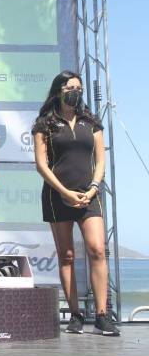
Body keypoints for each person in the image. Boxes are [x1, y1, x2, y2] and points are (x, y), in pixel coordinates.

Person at [32, 70, 119, 336]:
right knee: (66, 255)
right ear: (59, 91)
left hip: (89, 194)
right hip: (57, 195)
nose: (76, 92)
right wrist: (64, 192)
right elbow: (41, 165)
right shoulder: (44, 124)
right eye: (71, 87)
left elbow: (100, 160)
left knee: (97, 250)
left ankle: (103, 315)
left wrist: (93, 188)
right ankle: (76, 314)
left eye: (79, 88)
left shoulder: (91, 122)